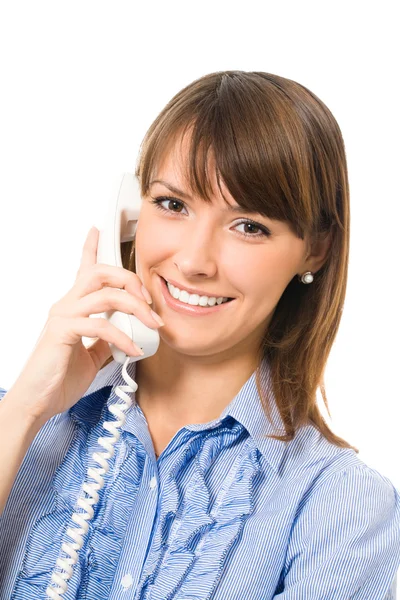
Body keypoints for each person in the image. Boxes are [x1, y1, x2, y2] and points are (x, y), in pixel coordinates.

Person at [0, 70, 399, 600]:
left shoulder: (338, 507)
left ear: (316, 249)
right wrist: (24, 409)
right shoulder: (22, 424)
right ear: (132, 210)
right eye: (172, 204)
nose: (192, 261)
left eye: (249, 225)